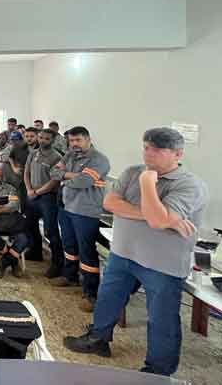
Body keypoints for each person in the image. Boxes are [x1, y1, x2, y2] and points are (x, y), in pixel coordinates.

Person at [65, 128, 208, 376]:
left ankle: (158, 371)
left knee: (161, 319)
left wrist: (148, 185)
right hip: (124, 252)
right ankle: (98, 339)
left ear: (178, 154)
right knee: (108, 299)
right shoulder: (132, 172)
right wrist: (162, 218)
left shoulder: (190, 185)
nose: (148, 154)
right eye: (146, 147)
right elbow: (110, 203)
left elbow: (156, 219)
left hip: (162, 264)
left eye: (158, 150)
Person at [49, 126, 110, 312]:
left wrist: (65, 177)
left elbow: (84, 182)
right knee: (69, 245)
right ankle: (70, 276)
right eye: (71, 141)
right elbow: (53, 172)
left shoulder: (98, 159)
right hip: (67, 207)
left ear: (88, 139)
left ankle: (90, 293)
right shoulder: (69, 155)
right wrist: (73, 176)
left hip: (86, 211)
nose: (74, 144)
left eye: (78, 140)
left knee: (86, 251)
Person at [23, 129, 63, 271]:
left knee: (50, 230)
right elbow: (26, 172)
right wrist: (29, 190)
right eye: (40, 137)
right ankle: (35, 252)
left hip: (48, 197)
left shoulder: (57, 157)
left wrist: (37, 192)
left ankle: (57, 263)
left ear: (52, 140)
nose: (42, 141)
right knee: (30, 225)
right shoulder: (33, 153)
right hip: (31, 195)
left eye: (46, 138)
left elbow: (55, 180)